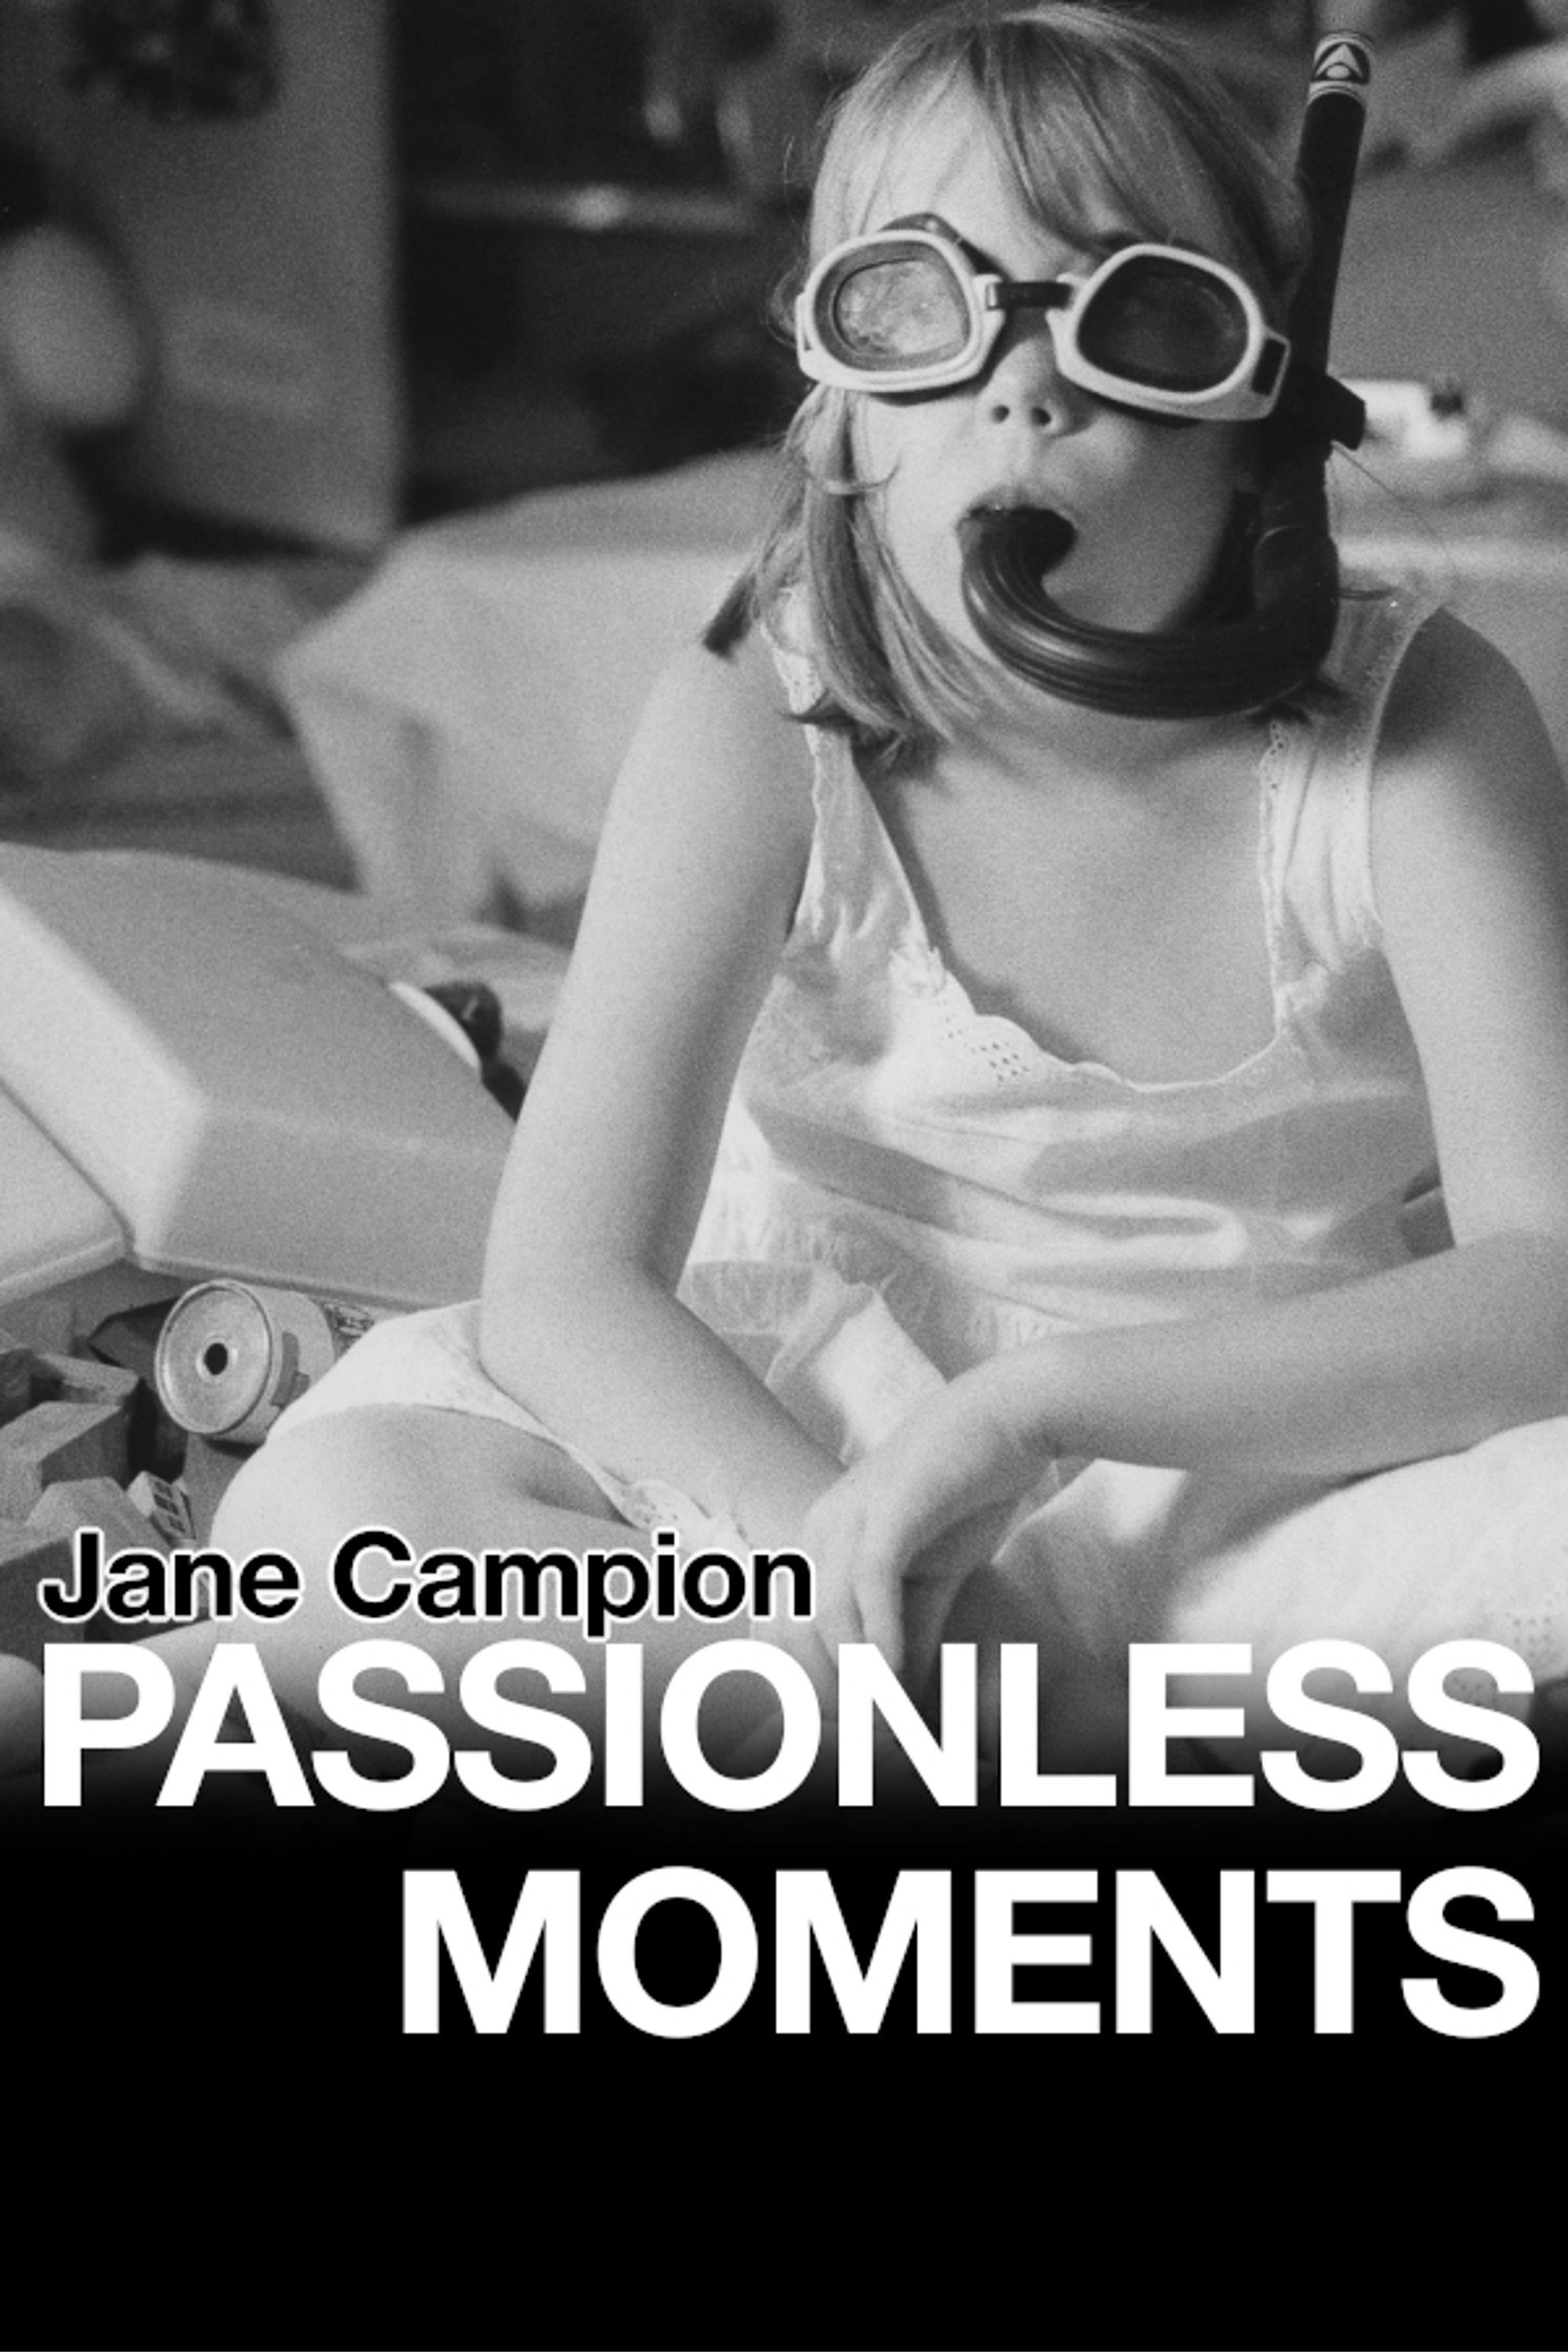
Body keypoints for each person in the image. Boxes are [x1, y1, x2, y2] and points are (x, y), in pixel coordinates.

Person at [30, 0, 1568, 1780]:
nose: (1025, 386)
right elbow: (566, 1282)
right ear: (838, 425)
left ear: (1262, 418)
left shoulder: (1421, 727)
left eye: (1136, 315)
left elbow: (1545, 1280)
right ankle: (1022, 1737)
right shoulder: (761, 705)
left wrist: (1036, 1412)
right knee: (345, 1523)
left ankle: (997, 1738)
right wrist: (845, 1569)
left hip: (1266, 1446)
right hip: (795, 1432)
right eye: (917, 308)